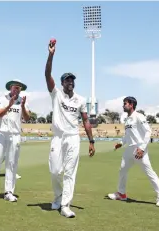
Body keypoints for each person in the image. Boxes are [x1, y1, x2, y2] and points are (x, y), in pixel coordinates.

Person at [45, 39, 95, 218]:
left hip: (73, 137)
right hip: (58, 137)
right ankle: (57, 197)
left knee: (70, 172)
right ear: (62, 83)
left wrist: (91, 141)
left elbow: (86, 121)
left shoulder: (80, 100)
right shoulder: (56, 94)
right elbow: (47, 74)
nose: (70, 82)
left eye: (72, 80)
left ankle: (65, 204)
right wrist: (50, 55)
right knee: (55, 171)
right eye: (67, 80)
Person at [108, 96, 159, 207]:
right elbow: (127, 135)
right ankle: (121, 194)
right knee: (122, 170)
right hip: (129, 150)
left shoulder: (139, 116)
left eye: (125, 103)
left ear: (131, 105)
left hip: (139, 149)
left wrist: (142, 148)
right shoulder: (127, 119)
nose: (123, 105)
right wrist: (121, 143)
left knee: (149, 173)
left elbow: (148, 131)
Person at [0, 79, 30, 204]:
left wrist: (22, 107)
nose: (17, 90)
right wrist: (9, 105)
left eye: (19, 88)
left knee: (12, 163)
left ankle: (9, 192)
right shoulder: (2, 98)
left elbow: (27, 118)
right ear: (10, 88)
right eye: (15, 87)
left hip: (15, 134)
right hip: (2, 133)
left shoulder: (22, 101)